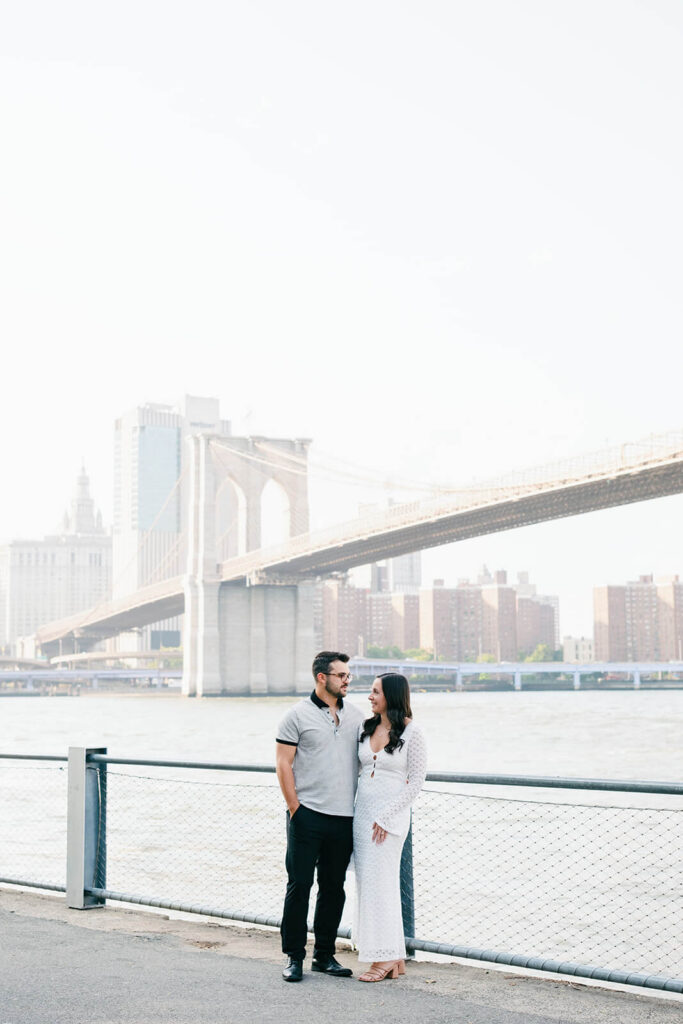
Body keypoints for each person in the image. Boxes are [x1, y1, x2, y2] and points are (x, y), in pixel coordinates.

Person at [276, 650, 365, 982]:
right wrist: (295, 809)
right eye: (341, 675)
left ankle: (324, 956)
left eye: (348, 675)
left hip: (343, 818)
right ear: (322, 677)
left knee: (333, 888)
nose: (346, 681)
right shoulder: (296, 716)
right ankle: (294, 957)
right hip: (307, 815)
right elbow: (283, 763)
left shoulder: (356, 717)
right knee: (299, 886)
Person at [352, 672, 427, 982]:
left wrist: (386, 816)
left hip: (388, 822)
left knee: (381, 887)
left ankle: (383, 957)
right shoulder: (364, 728)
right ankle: (392, 955)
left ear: (392, 696)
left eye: (376, 692)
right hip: (362, 818)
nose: (370, 697)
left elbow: (416, 782)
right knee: (366, 887)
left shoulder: (413, 732)